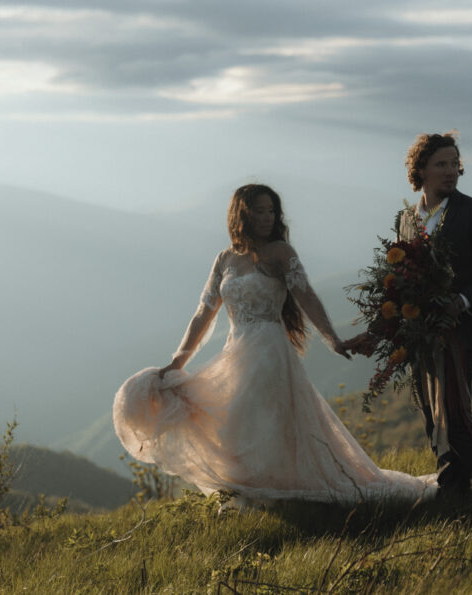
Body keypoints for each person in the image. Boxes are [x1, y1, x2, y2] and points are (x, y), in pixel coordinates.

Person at [113, 184, 434, 506]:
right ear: (242, 214)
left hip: (269, 350)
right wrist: (178, 362)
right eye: (260, 211)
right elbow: (204, 312)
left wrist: (331, 338)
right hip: (235, 350)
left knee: (260, 420)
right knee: (237, 422)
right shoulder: (225, 258)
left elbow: (305, 295)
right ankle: (250, 491)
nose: (268, 218)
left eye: (272, 211)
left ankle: (271, 491)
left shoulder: (280, 252)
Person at [344, 132, 472, 500]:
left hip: (462, 331)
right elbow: (400, 283)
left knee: (456, 413)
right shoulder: (407, 218)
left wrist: (462, 301)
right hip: (420, 335)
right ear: (420, 170)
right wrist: (382, 328)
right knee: (433, 415)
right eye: (441, 164)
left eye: (455, 164)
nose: (451, 171)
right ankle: (452, 487)